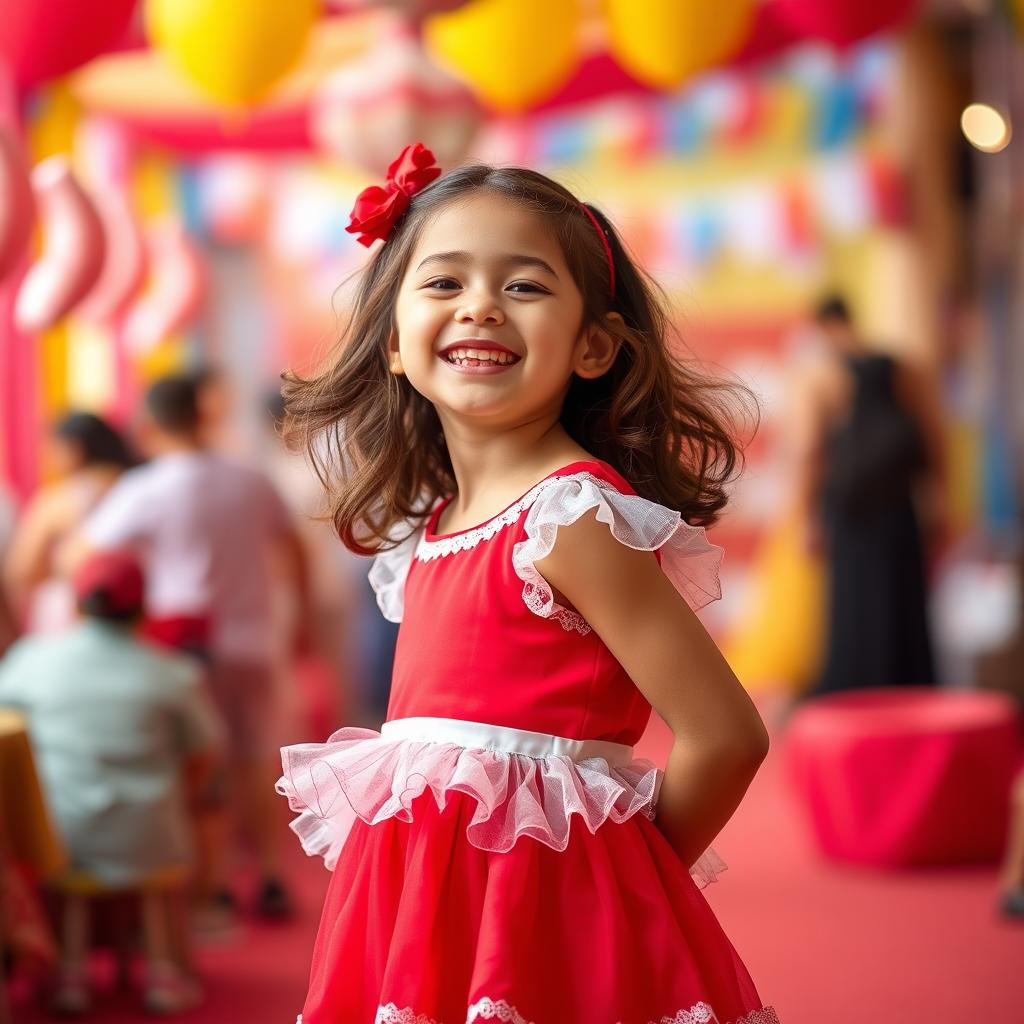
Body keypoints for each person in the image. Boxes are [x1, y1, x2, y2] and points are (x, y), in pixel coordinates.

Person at [276, 145, 775, 1023]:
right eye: (443, 283)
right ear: (393, 341)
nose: (480, 306)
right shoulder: (432, 525)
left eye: (525, 286)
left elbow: (724, 733)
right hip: (422, 927)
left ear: (593, 346)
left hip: (549, 928)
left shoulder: (570, 517)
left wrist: (620, 884)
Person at [73, 375, 313, 921]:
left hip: (182, 643)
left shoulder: (145, 487)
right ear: (202, 417)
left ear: (150, 425)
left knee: (205, 763)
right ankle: (272, 873)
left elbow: (84, 558)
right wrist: (298, 625)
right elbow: (295, 550)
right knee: (255, 756)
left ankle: (217, 881)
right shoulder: (250, 479)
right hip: (253, 636)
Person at [0, 550, 222, 1014]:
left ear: (77, 605)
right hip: (151, 836)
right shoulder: (172, 672)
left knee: (69, 858)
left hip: (61, 832)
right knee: (161, 847)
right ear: (143, 609)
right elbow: (205, 751)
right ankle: (164, 973)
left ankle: (68, 971)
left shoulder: (31, 659)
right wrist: (181, 797)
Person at [792, 295, 945, 696]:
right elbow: (934, 441)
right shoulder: (904, 368)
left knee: (854, 604)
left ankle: (857, 690)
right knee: (903, 598)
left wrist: (808, 518)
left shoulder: (822, 376)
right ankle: (907, 686)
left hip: (850, 512)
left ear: (822, 327)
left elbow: (811, 452)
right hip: (899, 508)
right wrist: (939, 501)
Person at [3, 413, 135, 634]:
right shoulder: (136, 486)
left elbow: (20, 571)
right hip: (133, 610)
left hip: (68, 616)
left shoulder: (58, 501)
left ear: (74, 448)